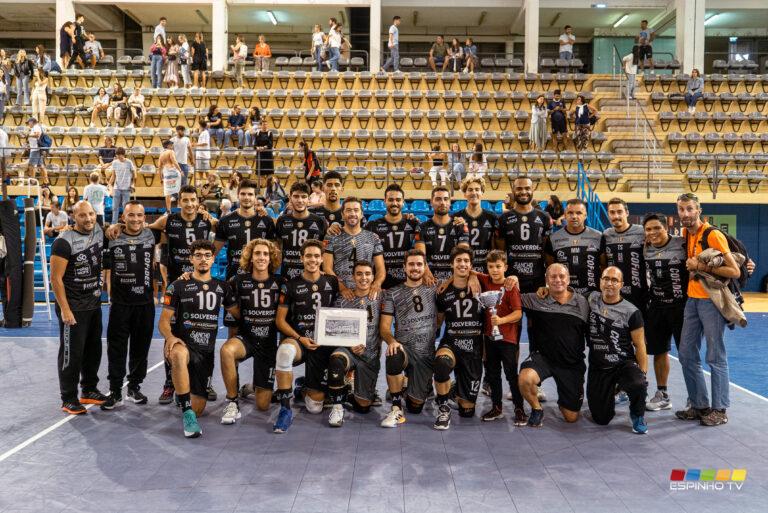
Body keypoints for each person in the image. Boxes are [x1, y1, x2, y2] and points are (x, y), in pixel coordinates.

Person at [108, 185, 216, 405]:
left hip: (191, 289)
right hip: (174, 290)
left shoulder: (208, 221)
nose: (189, 204)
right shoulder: (166, 222)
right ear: (178, 203)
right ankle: (165, 385)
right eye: (184, 200)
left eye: (192, 200)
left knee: (204, 335)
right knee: (171, 336)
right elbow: (138, 226)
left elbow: (222, 233)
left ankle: (204, 382)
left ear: (198, 201)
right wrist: (116, 225)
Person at [675, 193, 741, 427]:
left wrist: (699, 265)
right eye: (681, 209)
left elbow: (735, 272)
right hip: (692, 301)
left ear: (699, 210)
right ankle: (700, 405)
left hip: (711, 303)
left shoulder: (712, 234)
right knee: (685, 354)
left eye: (689, 209)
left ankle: (720, 410)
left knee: (715, 356)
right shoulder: (686, 233)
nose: (685, 214)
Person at [160, 239, 238, 437]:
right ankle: (186, 412)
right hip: (183, 344)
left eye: (207, 256)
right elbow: (163, 321)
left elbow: (238, 314)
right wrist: (170, 338)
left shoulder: (223, 287)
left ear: (213, 259)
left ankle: (185, 396)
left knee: (200, 409)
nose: (203, 259)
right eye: (198, 255)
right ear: (191, 259)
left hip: (205, 351)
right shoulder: (177, 285)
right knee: (178, 355)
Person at [273, 240, 340, 433]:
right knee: (284, 353)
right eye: (308, 256)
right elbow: (280, 321)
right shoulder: (290, 285)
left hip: (324, 342)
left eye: (316, 256)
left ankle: (303, 387)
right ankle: (285, 409)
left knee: (314, 408)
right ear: (301, 258)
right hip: (300, 340)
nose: (312, 259)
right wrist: (300, 338)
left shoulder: (331, 281)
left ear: (321, 259)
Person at [50, 201, 107, 414]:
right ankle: (68, 398)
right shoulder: (63, 242)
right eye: (83, 215)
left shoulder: (99, 231)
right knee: (71, 354)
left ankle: (89, 390)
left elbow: (112, 231)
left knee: (93, 351)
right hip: (72, 307)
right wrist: (65, 309)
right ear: (73, 217)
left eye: (91, 214)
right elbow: (55, 278)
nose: (88, 219)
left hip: (93, 304)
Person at [100, 201, 158, 410]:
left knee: (140, 348)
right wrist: (112, 226)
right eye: (130, 215)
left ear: (145, 218)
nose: (135, 219)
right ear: (123, 217)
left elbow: (171, 220)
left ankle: (134, 386)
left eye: (139, 215)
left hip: (144, 304)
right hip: (120, 304)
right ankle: (115, 391)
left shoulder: (152, 235)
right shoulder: (112, 236)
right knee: (117, 349)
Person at [518, 264, 589, 427]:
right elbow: (510, 296)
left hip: (571, 363)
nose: (558, 280)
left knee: (571, 417)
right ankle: (537, 408)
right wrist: (513, 279)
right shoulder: (536, 299)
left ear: (568, 279)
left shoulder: (583, 303)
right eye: (553, 277)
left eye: (562, 276)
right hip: (544, 359)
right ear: (546, 280)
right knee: (525, 379)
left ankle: (565, 399)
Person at [219, 239, 282, 423]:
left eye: (265, 254)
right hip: (246, 338)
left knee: (263, 405)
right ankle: (232, 401)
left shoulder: (281, 282)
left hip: (268, 343)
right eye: (257, 254)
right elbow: (231, 312)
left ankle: (251, 388)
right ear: (250, 257)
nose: (261, 257)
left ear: (271, 258)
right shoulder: (237, 281)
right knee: (226, 350)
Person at [586, 267, 649, 434]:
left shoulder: (632, 312)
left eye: (614, 280)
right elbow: (566, 294)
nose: (609, 283)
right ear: (600, 281)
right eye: (606, 279)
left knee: (638, 383)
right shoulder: (591, 298)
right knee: (601, 419)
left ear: (621, 284)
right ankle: (612, 392)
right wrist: (545, 288)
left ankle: (637, 414)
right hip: (599, 366)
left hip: (623, 363)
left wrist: (642, 373)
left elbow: (640, 345)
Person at [379, 250, 438, 427]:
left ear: (425, 267)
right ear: (404, 267)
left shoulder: (435, 288)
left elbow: (461, 276)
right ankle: (396, 407)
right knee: (393, 354)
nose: (415, 268)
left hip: (426, 354)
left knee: (415, 407)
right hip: (405, 349)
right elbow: (383, 328)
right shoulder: (393, 293)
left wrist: (473, 276)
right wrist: (392, 341)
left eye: (419, 264)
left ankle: (410, 385)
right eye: (411, 264)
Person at [432, 247, 485, 429]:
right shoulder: (442, 291)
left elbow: (501, 277)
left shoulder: (481, 285)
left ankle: (454, 389)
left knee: (467, 412)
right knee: (441, 364)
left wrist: (473, 276)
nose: (462, 264)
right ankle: (443, 408)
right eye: (458, 261)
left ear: (471, 265)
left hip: (474, 347)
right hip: (452, 342)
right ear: (451, 264)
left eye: (466, 261)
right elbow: (438, 322)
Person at [326, 260, 383, 426]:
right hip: (348, 349)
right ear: (353, 277)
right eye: (359, 274)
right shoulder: (343, 299)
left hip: (370, 355)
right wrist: (350, 344)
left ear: (373, 277)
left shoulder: (382, 297)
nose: (363, 278)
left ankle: (349, 391)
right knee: (337, 360)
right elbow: (333, 331)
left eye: (367, 274)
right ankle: (337, 407)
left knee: (363, 406)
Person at [642, 213, 687, 412]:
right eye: (649, 229)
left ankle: (694, 397)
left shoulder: (682, 244)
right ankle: (663, 394)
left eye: (656, 228)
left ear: (666, 227)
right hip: (657, 307)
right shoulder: (645, 248)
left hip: (682, 308)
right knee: (659, 351)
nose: (653, 233)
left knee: (687, 355)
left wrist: (745, 261)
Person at [476, 250, 525, 423]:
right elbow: (466, 270)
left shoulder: (510, 287)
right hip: (490, 338)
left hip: (508, 339)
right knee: (493, 374)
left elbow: (518, 313)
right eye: (491, 267)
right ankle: (497, 407)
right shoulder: (485, 280)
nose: (495, 270)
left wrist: (501, 320)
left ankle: (519, 409)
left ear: (505, 267)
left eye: (498, 266)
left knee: (512, 374)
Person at [322, 196, 386, 295]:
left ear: (361, 214)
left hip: (365, 293)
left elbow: (380, 269)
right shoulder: (332, 236)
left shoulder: (373, 237)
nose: (352, 214)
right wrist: (342, 288)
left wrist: (376, 284)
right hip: (340, 293)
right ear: (342, 215)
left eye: (356, 210)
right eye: (348, 210)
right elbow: (327, 268)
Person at [214, 179, 276, 280]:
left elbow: (274, 253)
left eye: (250, 194)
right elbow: (214, 252)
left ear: (255, 197)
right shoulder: (226, 221)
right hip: (234, 277)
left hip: (260, 278)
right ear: (238, 195)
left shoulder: (266, 221)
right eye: (243, 194)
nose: (246, 197)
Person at [545, 198, 605, 296]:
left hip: (593, 294)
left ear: (585, 215)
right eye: (570, 213)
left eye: (579, 213)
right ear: (564, 215)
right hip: (564, 295)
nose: (574, 216)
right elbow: (550, 267)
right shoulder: (553, 238)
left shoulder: (598, 236)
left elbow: (604, 266)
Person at [365, 184, 419, 290]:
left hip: (407, 283)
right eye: (390, 200)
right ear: (384, 201)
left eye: (398, 200)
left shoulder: (413, 223)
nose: (394, 203)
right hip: (382, 284)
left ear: (403, 202)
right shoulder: (372, 226)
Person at [414, 186, 470, 283]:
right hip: (430, 279)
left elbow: (463, 258)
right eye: (438, 199)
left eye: (446, 199)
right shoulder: (422, 227)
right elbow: (420, 255)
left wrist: (450, 281)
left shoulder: (460, 226)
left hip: (454, 279)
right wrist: (426, 272)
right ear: (431, 202)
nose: (442, 203)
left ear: (450, 202)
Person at [274, 181, 328, 280]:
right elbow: (278, 246)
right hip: (287, 274)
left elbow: (325, 248)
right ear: (290, 198)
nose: (300, 200)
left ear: (309, 199)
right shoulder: (282, 220)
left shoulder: (319, 221)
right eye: (296, 196)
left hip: (312, 275)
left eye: (303, 197)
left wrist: (322, 267)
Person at [603, 198, 647, 311]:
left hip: (639, 293)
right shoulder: (606, 234)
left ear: (627, 213)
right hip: (615, 293)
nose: (616, 216)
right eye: (612, 212)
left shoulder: (642, 232)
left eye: (619, 211)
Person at [454, 177, 498, 272]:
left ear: (482, 193)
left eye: (477, 189)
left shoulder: (492, 217)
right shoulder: (456, 217)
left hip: (486, 269)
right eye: (470, 190)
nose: (474, 192)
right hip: (464, 268)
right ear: (465, 194)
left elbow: (495, 246)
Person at [107, 147, 136, 225]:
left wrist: (133, 184)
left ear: (123, 154)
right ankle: (114, 224)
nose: (119, 157)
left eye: (120, 155)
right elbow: (113, 175)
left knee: (126, 207)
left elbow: (134, 174)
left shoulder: (129, 162)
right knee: (114, 207)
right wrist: (109, 183)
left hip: (127, 188)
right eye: (117, 155)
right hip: (117, 188)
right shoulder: (114, 163)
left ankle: (126, 223)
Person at [158, 140, 183, 212]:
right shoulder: (171, 152)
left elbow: (159, 167)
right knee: (179, 189)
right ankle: (180, 205)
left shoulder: (161, 154)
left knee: (167, 192)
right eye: (171, 145)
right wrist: (180, 170)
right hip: (173, 171)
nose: (172, 146)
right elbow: (174, 161)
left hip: (166, 172)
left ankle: (168, 210)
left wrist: (161, 178)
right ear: (168, 146)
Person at [26, 117, 50, 185]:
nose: (28, 124)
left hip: (35, 149)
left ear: (32, 122)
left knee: (31, 165)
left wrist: (28, 135)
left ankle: (32, 182)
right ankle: (46, 182)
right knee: (41, 166)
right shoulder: (35, 127)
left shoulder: (36, 127)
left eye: (29, 122)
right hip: (37, 148)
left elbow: (37, 135)